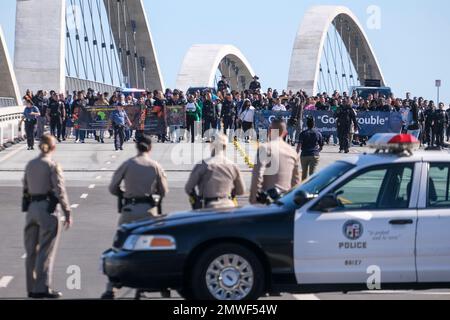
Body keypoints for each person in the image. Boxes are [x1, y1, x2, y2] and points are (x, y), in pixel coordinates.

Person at [103, 135, 169, 299]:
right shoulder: (155, 166)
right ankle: (153, 285)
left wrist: (124, 194)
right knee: (151, 250)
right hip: (148, 211)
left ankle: (112, 286)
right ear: (150, 148)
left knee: (120, 247)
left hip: (129, 209)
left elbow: (112, 187)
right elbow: (164, 191)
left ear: (137, 147)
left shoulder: (128, 164)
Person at [23, 134, 72, 299]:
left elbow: (25, 186)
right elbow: (60, 190)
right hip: (47, 209)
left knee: (31, 250)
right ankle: (43, 288)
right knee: (46, 250)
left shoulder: (30, 164)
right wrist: (67, 212)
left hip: (31, 208)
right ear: (53, 147)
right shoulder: (52, 165)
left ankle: (31, 287)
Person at [185, 134, 245, 209]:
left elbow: (188, 188)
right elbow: (241, 191)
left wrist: (195, 199)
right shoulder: (232, 166)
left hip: (209, 207)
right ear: (225, 147)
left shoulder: (203, 165)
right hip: (229, 207)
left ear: (211, 146)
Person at [250, 119, 300, 204]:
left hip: (268, 200)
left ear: (269, 130)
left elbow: (258, 174)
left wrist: (253, 198)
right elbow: (296, 180)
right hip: (286, 201)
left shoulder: (265, 148)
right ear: (285, 133)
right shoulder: (292, 151)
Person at [296, 117, 324, 181]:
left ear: (307, 124)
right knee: (312, 174)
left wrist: (296, 154)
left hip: (304, 155)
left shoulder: (303, 133)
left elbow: (299, 146)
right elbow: (321, 146)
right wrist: (317, 151)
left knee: (304, 173)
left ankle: (303, 188)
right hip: (314, 155)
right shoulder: (318, 133)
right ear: (314, 124)